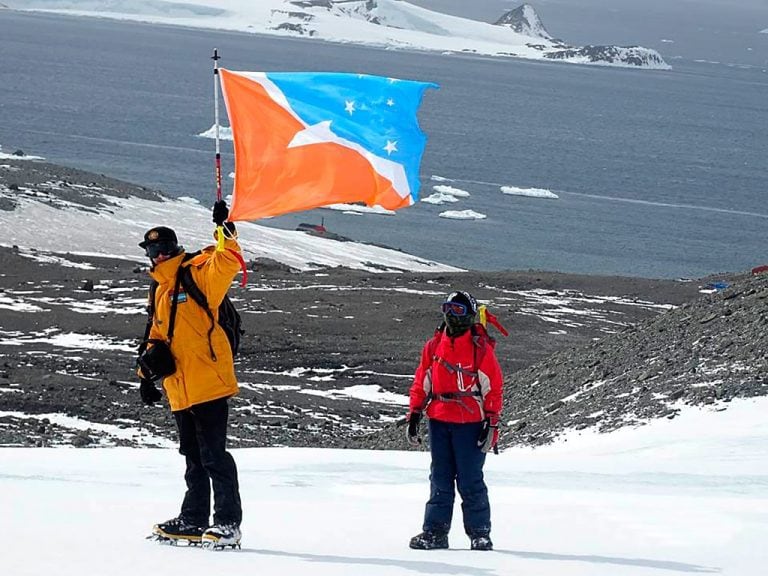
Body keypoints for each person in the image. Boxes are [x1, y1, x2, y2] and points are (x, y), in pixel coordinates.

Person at [137, 200, 243, 549]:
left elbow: (227, 262)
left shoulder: (197, 274)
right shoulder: (160, 288)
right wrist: (145, 375)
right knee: (193, 457)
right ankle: (193, 519)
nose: (157, 256)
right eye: (152, 250)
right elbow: (155, 335)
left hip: (208, 383)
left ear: (171, 249)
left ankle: (227, 522)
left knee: (214, 456)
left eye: (161, 249)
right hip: (180, 387)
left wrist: (224, 230)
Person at [405, 290, 504, 551]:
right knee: (440, 478)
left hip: (470, 423)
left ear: (470, 314)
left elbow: (492, 386)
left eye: (457, 310)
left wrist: (492, 421)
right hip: (438, 420)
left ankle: (480, 534)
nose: (451, 315)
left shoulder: (479, 349)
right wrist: (414, 413)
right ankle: (435, 533)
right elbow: (422, 380)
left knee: (470, 479)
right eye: (446, 308)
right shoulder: (433, 346)